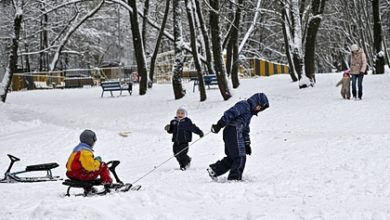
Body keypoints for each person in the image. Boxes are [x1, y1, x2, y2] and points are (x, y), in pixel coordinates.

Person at [207, 93, 269, 181]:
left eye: (261, 108)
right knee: (240, 156)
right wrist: (220, 124)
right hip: (232, 131)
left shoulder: (249, 114)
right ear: (256, 102)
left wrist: (247, 143)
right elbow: (231, 113)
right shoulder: (244, 105)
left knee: (233, 157)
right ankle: (234, 179)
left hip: (235, 133)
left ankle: (215, 170)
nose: (259, 109)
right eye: (259, 106)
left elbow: (245, 129)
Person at [165, 106, 204, 170]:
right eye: (178, 113)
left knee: (182, 154)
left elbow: (193, 128)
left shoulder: (187, 122)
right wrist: (168, 129)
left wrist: (199, 132)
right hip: (176, 141)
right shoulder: (173, 122)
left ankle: (184, 165)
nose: (180, 114)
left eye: (182, 113)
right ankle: (185, 161)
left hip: (184, 141)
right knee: (176, 154)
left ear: (185, 114)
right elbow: (171, 130)